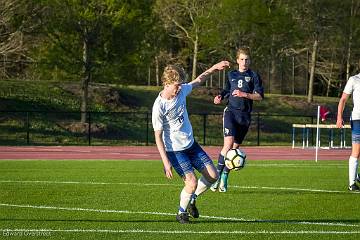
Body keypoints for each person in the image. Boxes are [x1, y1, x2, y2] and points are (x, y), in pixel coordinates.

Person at [152, 61, 230, 223]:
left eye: (180, 85)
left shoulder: (181, 92)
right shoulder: (159, 107)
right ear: (166, 84)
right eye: (176, 85)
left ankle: (192, 200)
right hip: (175, 151)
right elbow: (158, 137)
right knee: (192, 182)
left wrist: (215, 67)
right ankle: (181, 213)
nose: (179, 88)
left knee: (213, 175)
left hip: (191, 145)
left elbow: (199, 80)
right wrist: (166, 162)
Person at [210, 46, 264, 193]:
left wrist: (244, 94)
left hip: (245, 116)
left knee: (234, 149)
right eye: (242, 59)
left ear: (250, 60)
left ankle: (225, 177)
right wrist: (220, 96)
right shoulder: (231, 74)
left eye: (247, 59)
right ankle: (215, 178)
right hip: (231, 112)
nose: (244, 62)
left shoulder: (254, 76)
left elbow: (259, 96)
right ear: (237, 60)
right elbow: (226, 90)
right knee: (227, 144)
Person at [336, 72, 360, 191]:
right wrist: (339, 117)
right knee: (356, 151)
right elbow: (343, 99)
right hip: (357, 119)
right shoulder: (354, 79)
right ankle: (352, 184)